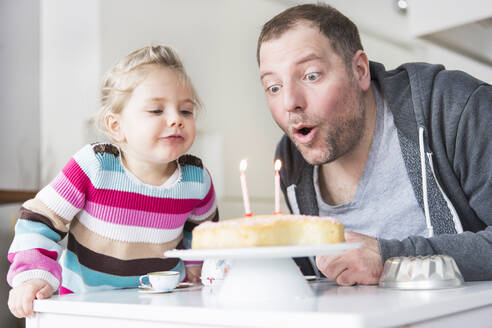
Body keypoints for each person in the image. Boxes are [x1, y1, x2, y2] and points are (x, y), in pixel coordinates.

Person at [257, 3, 492, 286]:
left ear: (359, 71)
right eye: (274, 87)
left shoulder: (454, 108)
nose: (289, 103)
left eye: (311, 76)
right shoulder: (292, 162)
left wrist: (389, 259)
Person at [7, 45, 218, 318]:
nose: (176, 119)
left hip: (164, 309)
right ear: (116, 126)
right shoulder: (94, 166)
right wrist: (33, 277)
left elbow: (205, 235)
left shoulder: (196, 178)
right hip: (86, 309)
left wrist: (196, 267)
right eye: (156, 110)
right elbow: (38, 220)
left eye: (186, 111)